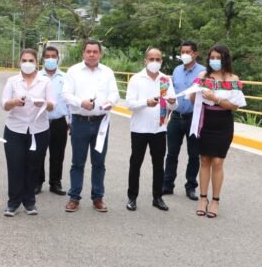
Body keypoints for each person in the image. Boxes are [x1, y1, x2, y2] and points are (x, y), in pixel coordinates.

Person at [62, 39, 119, 213]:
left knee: (99, 163)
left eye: (95, 51)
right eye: (89, 51)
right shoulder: (73, 71)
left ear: (100, 54)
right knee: (77, 162)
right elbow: (65, 94)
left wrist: (110, 102)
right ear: (83, 53)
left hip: (101, 122)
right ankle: (74, 198)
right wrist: (81, 103)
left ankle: (98, 197)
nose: (92, 54)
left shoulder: (107, 72)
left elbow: (114, 93)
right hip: (80, 121)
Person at [189, 44, 246, 218]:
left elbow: (235, 106)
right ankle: (203, 198)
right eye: (212, 57)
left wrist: (216, 98)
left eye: (218, 58)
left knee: (218, 163)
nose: (214, 61)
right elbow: (193, 100)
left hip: (223, 123)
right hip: (204, 121)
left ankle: (215, 200)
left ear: (225, 59)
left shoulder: (233, 79)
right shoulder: (203, 76)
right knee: (204, 160)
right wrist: (194, 91)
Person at [1, 49, 56, 216]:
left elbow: (53, 104)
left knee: (33, 166)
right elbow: (4, 105)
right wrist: (15, 102)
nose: (27, 63)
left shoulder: (45, 82)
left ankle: (30, 201)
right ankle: (13, 202)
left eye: (31, 60)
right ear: (19, 62)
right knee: (15, 165)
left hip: (39, 130)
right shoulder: (12, 81)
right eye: (24, 60)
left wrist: (44, 104)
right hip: (15, 129)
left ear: (36, 63)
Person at [124, 47, 176, 212]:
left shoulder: (165, 80)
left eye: (158, 59)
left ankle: (157, 197)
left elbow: (173, 105)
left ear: (161, 61)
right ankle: (132, 197)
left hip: (159, 129)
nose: (154, 62)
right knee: (136, 163)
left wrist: (173, 102)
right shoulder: (136, 79)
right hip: (139, 129)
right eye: (151, 59)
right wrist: (146, 102)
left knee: (158, 164)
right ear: (145, 60)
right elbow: (130, 104)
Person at [163, 41, 206, 200]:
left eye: (188, 52)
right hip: (175, 118)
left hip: (193, 119)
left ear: (195, 54)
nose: (185, 55)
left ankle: (191, 187)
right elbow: (171, 94)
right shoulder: (176, 70)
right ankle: (167, 185)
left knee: (193, 155)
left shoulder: (203, 72)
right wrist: (166, 116)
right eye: (182, 52)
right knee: (171, 153)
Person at [36, 45, 71, 195]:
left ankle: (55, 182)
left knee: (58, 154)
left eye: (53, 56)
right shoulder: (37, 77)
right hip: (40, 121)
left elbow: (69, 100)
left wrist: (70, 120)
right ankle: (37, 182)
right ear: (43, 59)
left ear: (58, 59)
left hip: (59, 121)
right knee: (39, 153)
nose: (50, 59)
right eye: (47, 56)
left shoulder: (65, 78)